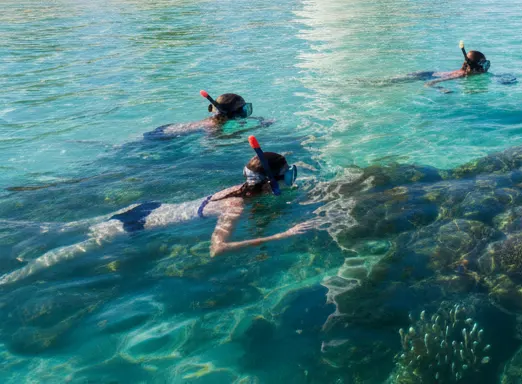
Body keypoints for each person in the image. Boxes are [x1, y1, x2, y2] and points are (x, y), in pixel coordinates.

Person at [0, 137, 314, 286]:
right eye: (288, 174)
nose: (291, 179)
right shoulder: (235, 205)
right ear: (274, 180)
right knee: (46, 263)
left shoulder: (237, 190)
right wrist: (281, 235)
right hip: (133, 228)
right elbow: (218, 250)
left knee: (47, 228)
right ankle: (8, 280)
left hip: (146, 209)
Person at [146, 90, 257, 138]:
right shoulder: (214, 126)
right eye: (242, 109)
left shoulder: (212, 121)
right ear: (235, 113)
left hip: (164, 130)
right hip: (162, 137)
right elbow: (210, 142)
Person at [426, 42, 491, 86]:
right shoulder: (461, 74)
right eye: (482, 64)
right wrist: (441, 89)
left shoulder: (467, 73)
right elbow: (429, 83)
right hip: (426, 76)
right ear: (473, 66)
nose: (484, 67)